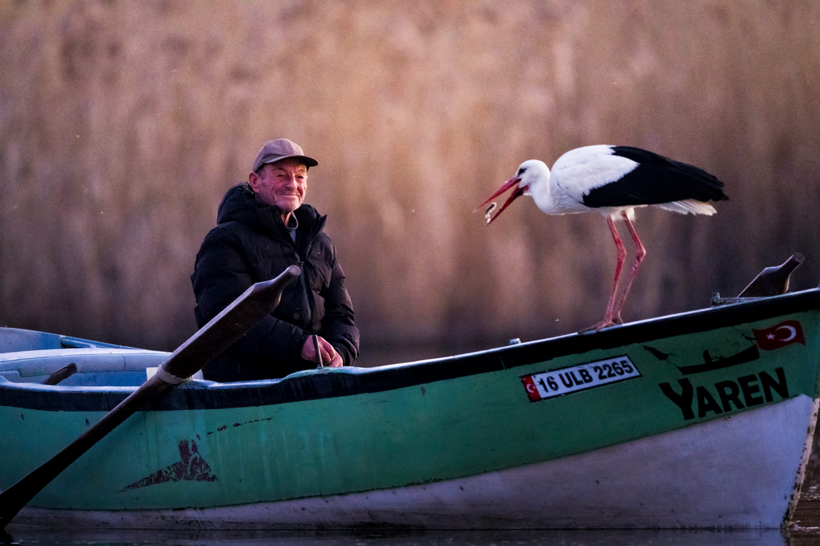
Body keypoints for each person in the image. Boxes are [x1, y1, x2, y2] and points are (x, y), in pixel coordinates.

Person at [191, 138, 359, 381]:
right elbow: (229, 319)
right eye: (281, 175)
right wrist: (300, 345)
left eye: (300, 177)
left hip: (316, 385)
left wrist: (340, 353)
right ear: (255, 182)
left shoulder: (321, 244)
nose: (292, 184)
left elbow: (342, 316)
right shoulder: (224, 241)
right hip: (247, 391)